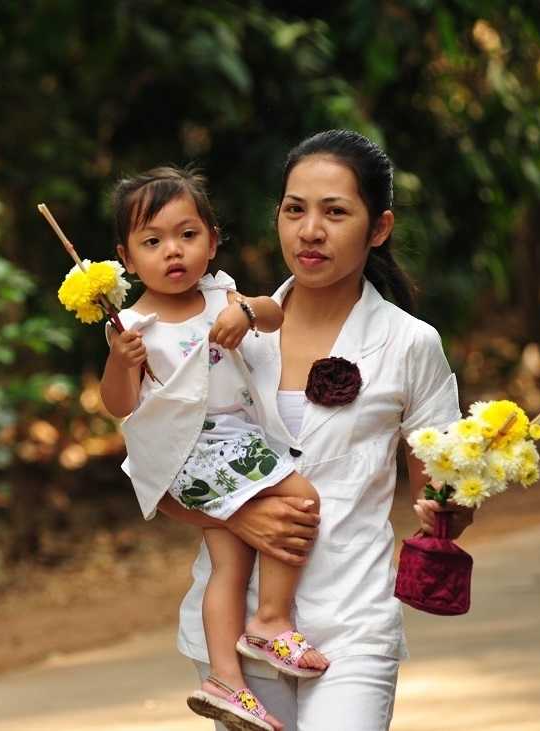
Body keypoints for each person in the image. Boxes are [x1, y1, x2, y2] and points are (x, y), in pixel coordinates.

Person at [155, 130, 474, 730]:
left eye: (335, 212)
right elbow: (158, 473)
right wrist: (233, 515)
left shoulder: (409, 344)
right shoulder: (218, 334)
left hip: (353, 619)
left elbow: (439, 485)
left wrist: (452, 503)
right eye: (295, 209)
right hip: (235, 627)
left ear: (378, 228)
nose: (310, 231)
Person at [100, 167, 329, 731]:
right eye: (152, 242)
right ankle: (272, 623)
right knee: (298, 494)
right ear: (126, 259)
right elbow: (120, 405)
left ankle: (226, 678)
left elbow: (276, 315)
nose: (172, 252)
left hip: (234, 441)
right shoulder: (131, 325)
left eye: (187, 235)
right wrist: (119, 363)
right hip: (195, 447)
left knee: (229, 562)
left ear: (213, 238)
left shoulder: (221, 295)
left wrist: (246, 311)